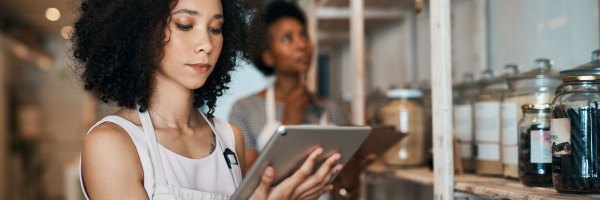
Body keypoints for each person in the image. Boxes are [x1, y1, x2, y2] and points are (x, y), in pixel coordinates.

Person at [73, 0, 342, 199]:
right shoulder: (112, 143)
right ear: (141, 32)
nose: (206, 44)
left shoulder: (229, 137)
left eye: (215, 28)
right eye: (185, 25)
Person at [230, 1, 375, 199]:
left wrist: (350, 178)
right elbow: (249, 188)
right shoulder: (244, 109)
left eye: (304, 35)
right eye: (288, 38)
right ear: (268, 57)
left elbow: (344, 194)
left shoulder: (331, 109)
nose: (302, 45)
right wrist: (289, 122)